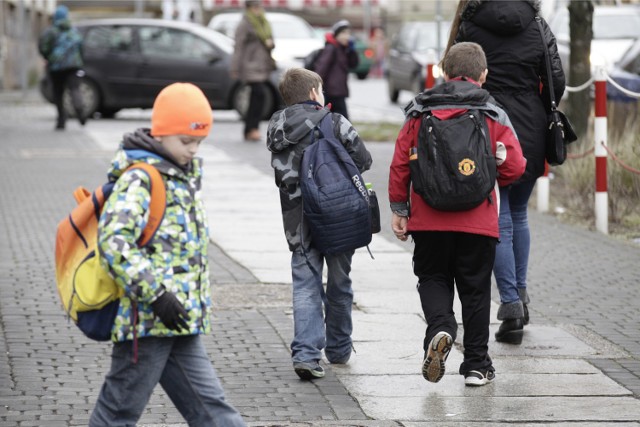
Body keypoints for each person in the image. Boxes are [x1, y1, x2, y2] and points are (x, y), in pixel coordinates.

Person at [89, 83, 245, 427]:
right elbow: (114, 243)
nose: (193, 150)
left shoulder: (180, 177)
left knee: (213, 412)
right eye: (185, 141)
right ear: (160, 134)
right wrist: (157, 296)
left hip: (178, 320)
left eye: (199, 142)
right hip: (147, 323)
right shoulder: (141, 179)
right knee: (118, 414)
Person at [388, 42, 526, 386]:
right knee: (476, 290)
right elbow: (515, 167)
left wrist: (399, 209)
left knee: (433, 278)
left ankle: (441, 328)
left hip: (428, 218)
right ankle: (477, 366)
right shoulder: (492, 111)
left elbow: (400, 163)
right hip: (477, 220)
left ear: (444, 72)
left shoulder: (419, 110)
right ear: (483, 74)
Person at [447, 0, 566, 344]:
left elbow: (456, 76)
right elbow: (556, 78)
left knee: (499, 216)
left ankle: (511, 303)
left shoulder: (470, 22)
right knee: (518, 214)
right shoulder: (536, 23)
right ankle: (521, 296)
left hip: (484, 124)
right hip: (529, 125)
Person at [266, 68, 372, 380]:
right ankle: (338, 349)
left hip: (297, 220)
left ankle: (306, 355)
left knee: (305, 284)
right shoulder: (334, 121)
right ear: (314, 93)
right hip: (338, 215)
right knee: (340, 283)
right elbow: (363, 161)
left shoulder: (278, 126)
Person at [230, 0, 276, 142]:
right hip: (249, 65)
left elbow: (270, 41)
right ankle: (251, 128)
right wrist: (235, 67)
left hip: (262, 65)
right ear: (249, 8)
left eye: (260, 6)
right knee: (258, 94)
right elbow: (238, 47)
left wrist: (271, 43)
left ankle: (250, 129)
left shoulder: (263, 22)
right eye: (256, 7)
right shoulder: (245, 24)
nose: (259, 9)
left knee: (258, 98)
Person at [38, 5, 86, 130]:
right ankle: (80, 110)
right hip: (74, 66)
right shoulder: (73, 30)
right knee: (75, 90)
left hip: (56, 68)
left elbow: (43, 47)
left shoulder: (51, 31)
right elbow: (81, 47)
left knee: (58, 94)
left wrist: (48, 57)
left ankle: (61, 120)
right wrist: (80, 61)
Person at [314, 19, 359, 120]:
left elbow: (354, 64)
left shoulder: (343, 49)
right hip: (331, 92)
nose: (347, 36)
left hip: (338, 92)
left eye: (348, 33)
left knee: (335, 123)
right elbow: (321, 69)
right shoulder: (331, 48)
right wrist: (317, 88)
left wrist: (352, 51)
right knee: (344, 123)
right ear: (336, 35)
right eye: (343, 33)